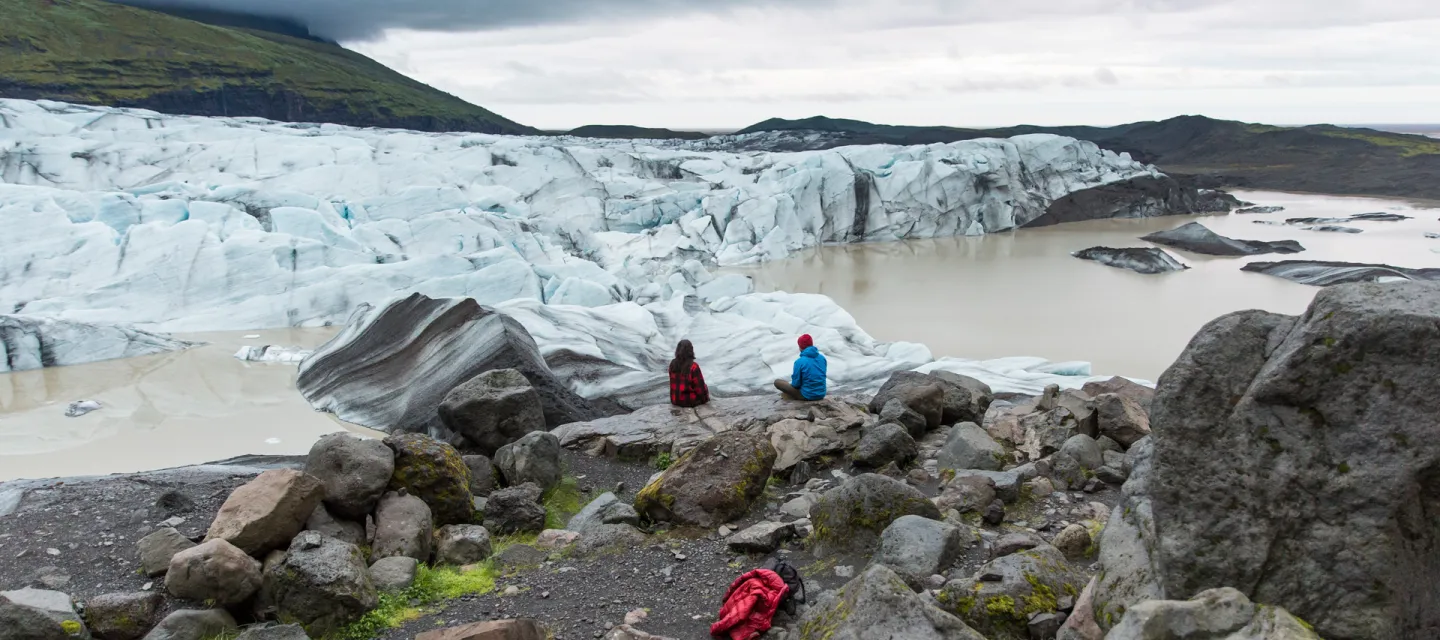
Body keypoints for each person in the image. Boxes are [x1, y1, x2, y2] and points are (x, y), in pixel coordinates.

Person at [775, 334, 826, 401]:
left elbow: (796, 384)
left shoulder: (799, 362)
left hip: (807, 396)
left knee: (777, 382)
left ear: (800, 346)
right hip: (821, 394)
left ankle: (789, 397)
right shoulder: (822, 358)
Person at [668, 339, 710, 408]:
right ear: (691, 351)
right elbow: (700, 388)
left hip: (675, 400)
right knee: (705, 387)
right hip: (689, 401)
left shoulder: (672, 364)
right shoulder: (694, 366)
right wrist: (706, 397)